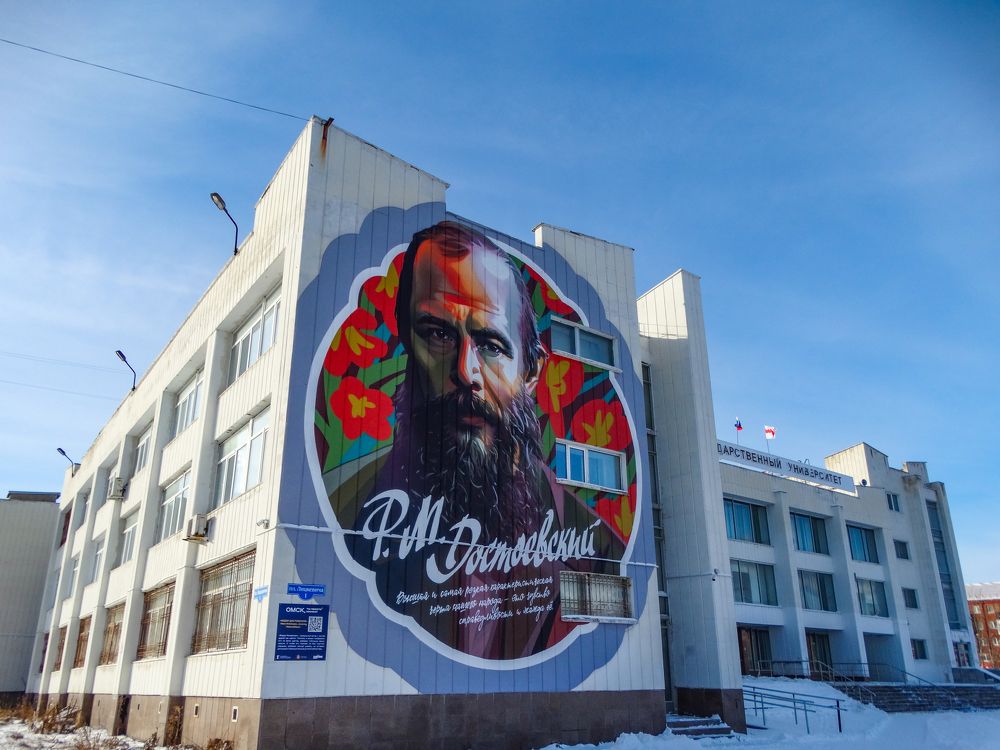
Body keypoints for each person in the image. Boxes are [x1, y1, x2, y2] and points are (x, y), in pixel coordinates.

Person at [329, 221, 625, 659]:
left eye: (490, 344)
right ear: (408, 342)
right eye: (438, 334)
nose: (466, 372)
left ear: (530, 371)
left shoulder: (598, 550)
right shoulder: (344, 512)